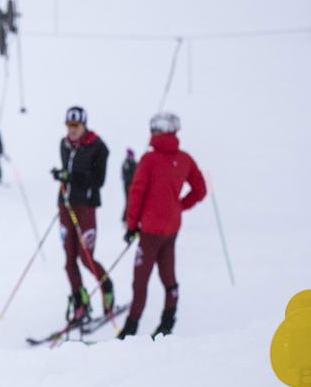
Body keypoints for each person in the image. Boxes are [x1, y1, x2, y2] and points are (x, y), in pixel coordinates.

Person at [119, 112, 205, 340]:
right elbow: (201, 189)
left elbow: (136, 192)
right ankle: (168, 323)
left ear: (160, 131)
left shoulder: (149, 159)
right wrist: (178, 206)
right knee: (168, 276)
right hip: (172, 228)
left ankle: (130, 329)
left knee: (140, 280)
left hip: (149, 231)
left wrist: (131, 225)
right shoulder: (184, 158)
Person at [53, 106, 113, 326]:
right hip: (66, 205)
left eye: (76, 126)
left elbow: (98, 181)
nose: (72, 130)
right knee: (69, 259)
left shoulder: (98, 147)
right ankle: (80, 300)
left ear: (84, 125)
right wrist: (61, 176)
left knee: (85, 256)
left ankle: (107, 287)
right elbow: (66, 172)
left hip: (85, 207)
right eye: (69, 125)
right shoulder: (64, 144)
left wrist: (72, 176)